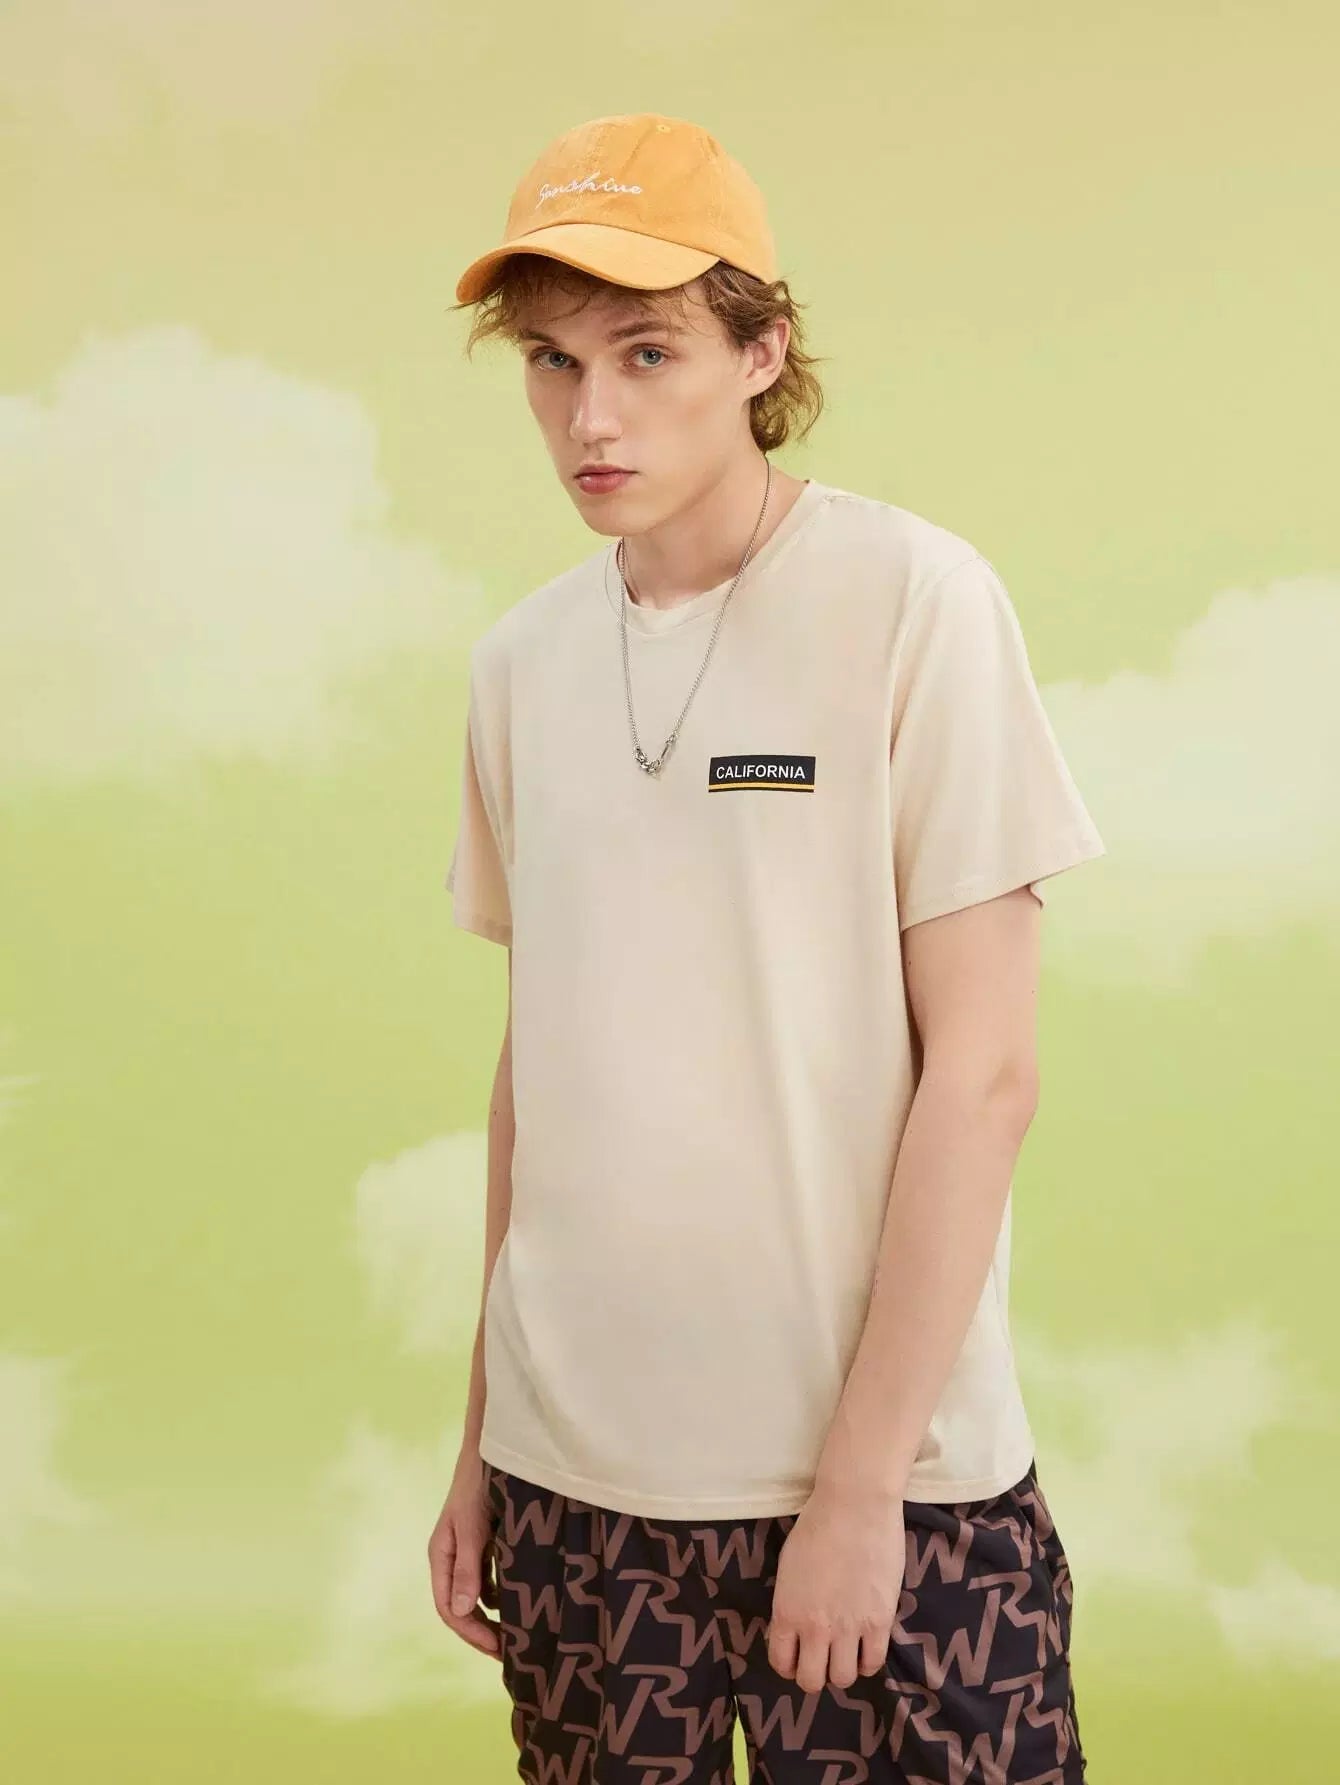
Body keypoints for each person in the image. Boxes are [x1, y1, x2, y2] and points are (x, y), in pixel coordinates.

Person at [428, 111, 1102, 1784]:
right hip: (581, 1491)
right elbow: (540, 1073)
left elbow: (986, 1074)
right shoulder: (519, 667)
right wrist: (481, 1446)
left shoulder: (915, 600)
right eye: (552, 362)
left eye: (647, 352)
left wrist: (863, 1485)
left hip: (893, 1485)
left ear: (762, 350)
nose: (591, 416)